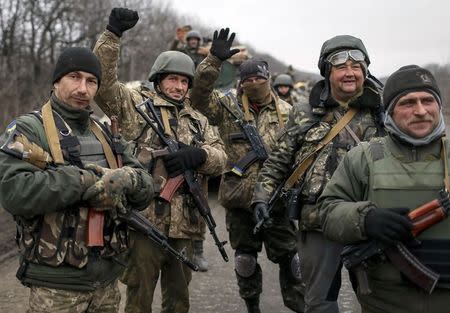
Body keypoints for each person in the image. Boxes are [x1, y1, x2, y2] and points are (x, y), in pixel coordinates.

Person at [0, 47, 154, 312]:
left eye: (91, 81)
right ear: (56, 81)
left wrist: (127, 178)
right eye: (75, 77)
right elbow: (14, 192)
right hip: (56, 288)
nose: (83, 89)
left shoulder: (106, 133)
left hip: (106, 283)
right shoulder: (28, 129)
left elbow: (146, 186)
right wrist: (84, 181)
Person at [93, 8, 227, 313]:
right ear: (158, 79)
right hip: (144, 223)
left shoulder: (197, 120)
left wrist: (199, 155)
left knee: (179, 302)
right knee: (138, 301)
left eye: (184, 82)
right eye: (173, 80)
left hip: (187, 229)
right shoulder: (135, 106)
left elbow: (221, 158)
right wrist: (112, 36)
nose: (179, 87)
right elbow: (104, 84)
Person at [252, 35, 385, 313]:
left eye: (357, 66)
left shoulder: (384, 112)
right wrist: (261, 196)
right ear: (327, 71)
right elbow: (279, 159)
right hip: (317, 222)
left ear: (366, 71)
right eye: (341, 66)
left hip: (370, 220)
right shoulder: (304, 113)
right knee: (319, 302)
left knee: (378, 300)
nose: (350, 73)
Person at [319, 64, 450, 313]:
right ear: (390, 111)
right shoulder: (364, 157)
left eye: (427, 100)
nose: (421, 111)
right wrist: (365, 219)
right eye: (408, 103)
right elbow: (328, 211)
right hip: (385, 302)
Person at [190, 28, 303, 313]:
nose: (254, 83)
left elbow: (301, 154)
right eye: (248, 79)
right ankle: (252, 305)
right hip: (240, 199)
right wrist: (213, 61)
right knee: (245, 260)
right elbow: (199, 97)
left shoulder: (289, 113)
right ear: (241, 83)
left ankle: (297, 303)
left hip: (277, 200)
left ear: (269, 81)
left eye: (259, 79)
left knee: (291, 259)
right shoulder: (228, 107)